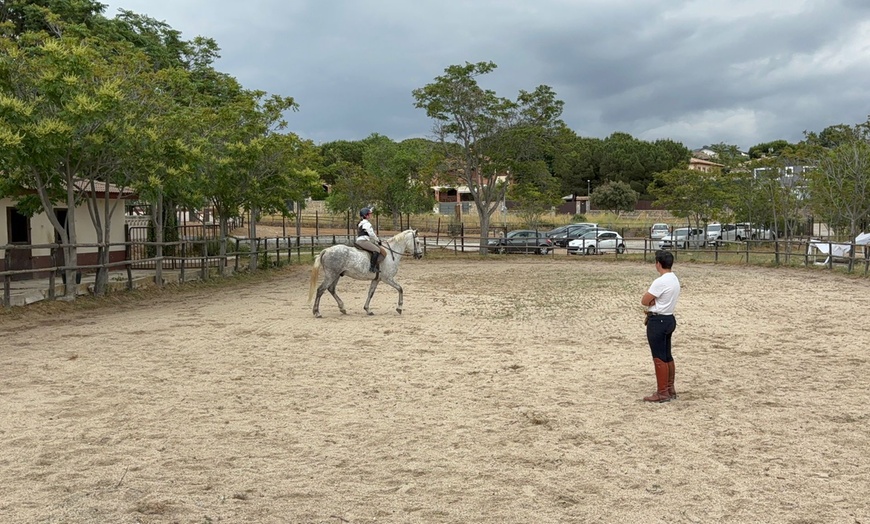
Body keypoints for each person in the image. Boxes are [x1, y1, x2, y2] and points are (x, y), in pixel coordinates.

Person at [641, 250, 681, 402]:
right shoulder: (674, 279)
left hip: (658, 321)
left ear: (658, 263)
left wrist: (653, 302)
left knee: (658, 357)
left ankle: (662, 392)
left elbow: (645, 300)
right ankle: (669, 388)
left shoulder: (660, 281)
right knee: (667, 355)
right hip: (669, 318)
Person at [355, 207, 383, 273]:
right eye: (369, 214)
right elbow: (371, 234)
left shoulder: (361, 223)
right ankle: (372, 268)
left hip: (360, 240)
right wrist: (378, 240)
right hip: (363, 241)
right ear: (365, 215)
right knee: (377, 250)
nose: (371, 215)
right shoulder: (367, 224)